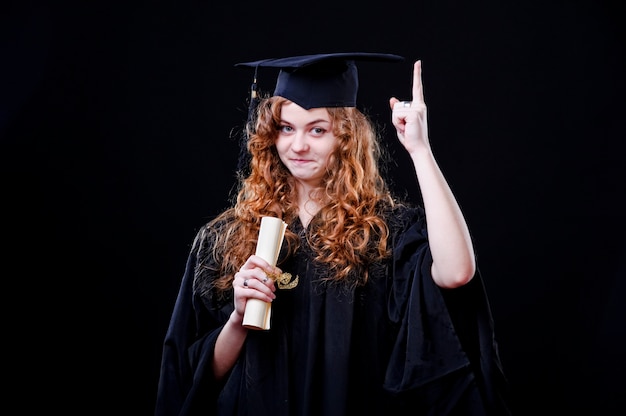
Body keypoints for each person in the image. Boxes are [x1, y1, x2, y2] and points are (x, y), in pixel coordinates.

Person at [155, 52, 511, 415]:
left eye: (317, 130)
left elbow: (456, 273)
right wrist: (238, 317)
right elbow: (191, 379)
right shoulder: (226, 238)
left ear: (346, 137)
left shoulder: (382, 233)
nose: (298, 146)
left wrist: (420, 150)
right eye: (286, 128)